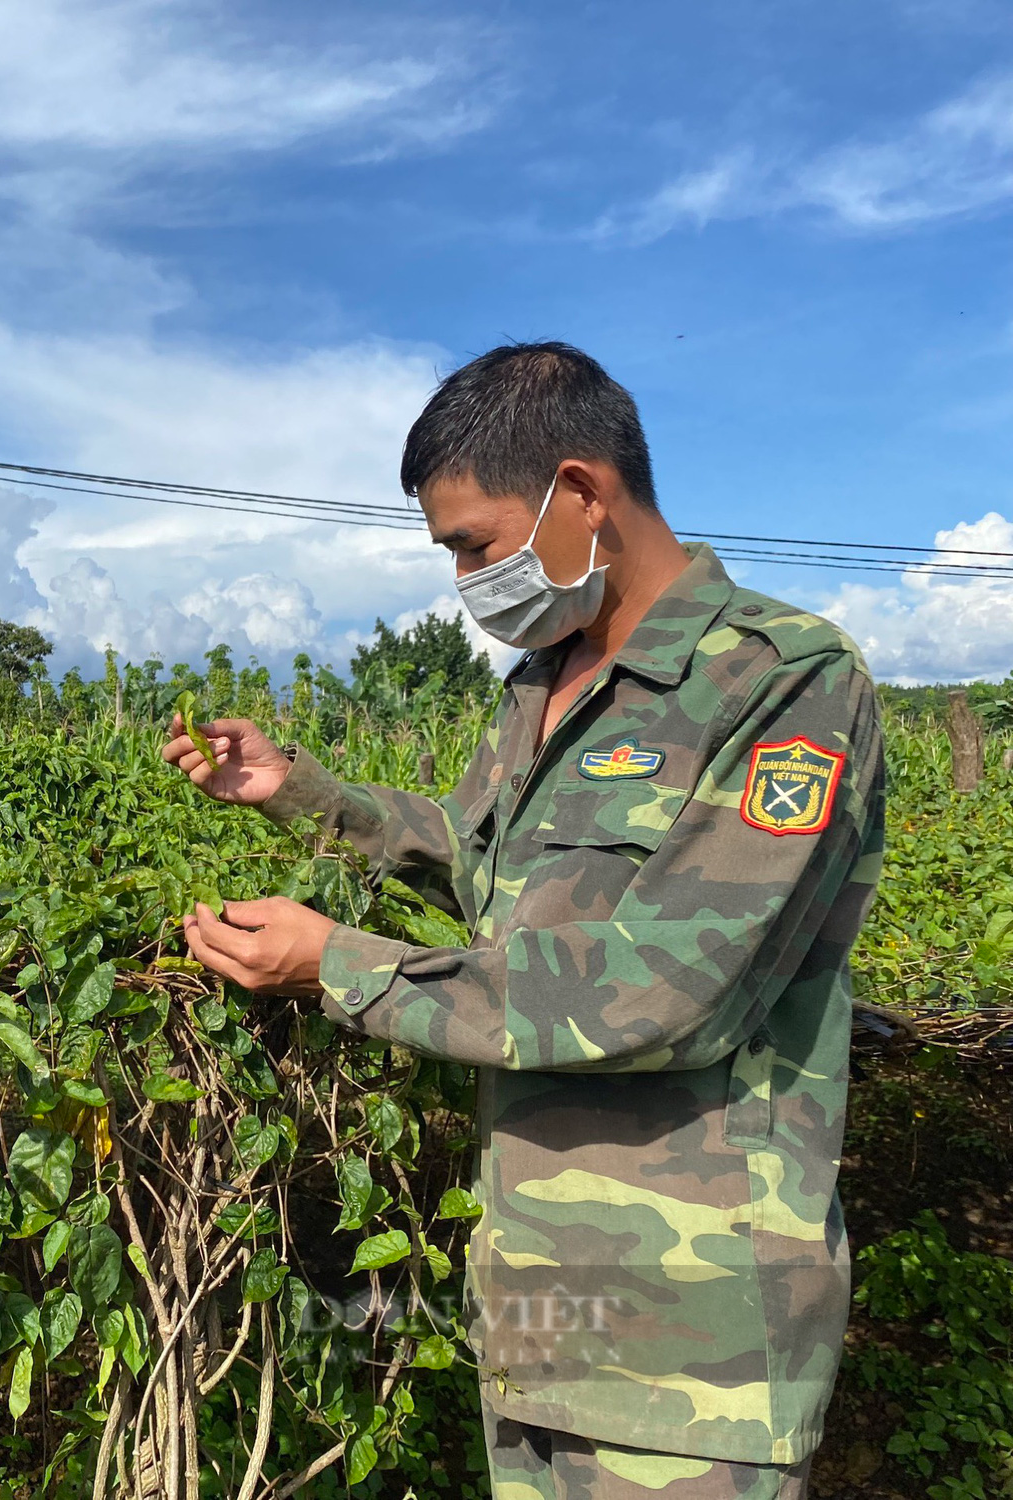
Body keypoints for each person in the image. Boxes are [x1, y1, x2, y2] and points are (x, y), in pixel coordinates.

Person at [163, 344, 883, 1500]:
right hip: (539, 1306)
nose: (464, 579)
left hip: (689, 1349)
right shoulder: (540, 683)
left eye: (472, 544)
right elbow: (482, 870)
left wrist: (339, 968)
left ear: (580, 494)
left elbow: (664, 994)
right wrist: (302, 794)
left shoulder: (780, 682)